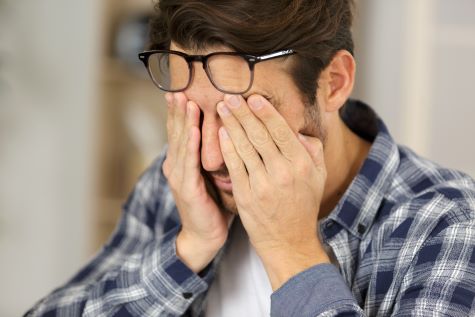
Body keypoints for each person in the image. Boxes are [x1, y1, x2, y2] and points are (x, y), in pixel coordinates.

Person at [26, 0, 475, 316]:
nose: (211, 152)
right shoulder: (179, 185)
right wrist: (188, 250)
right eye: (194, 114)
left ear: (334, 82)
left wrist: (291, 253)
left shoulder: (450, 224)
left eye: (243, 117)